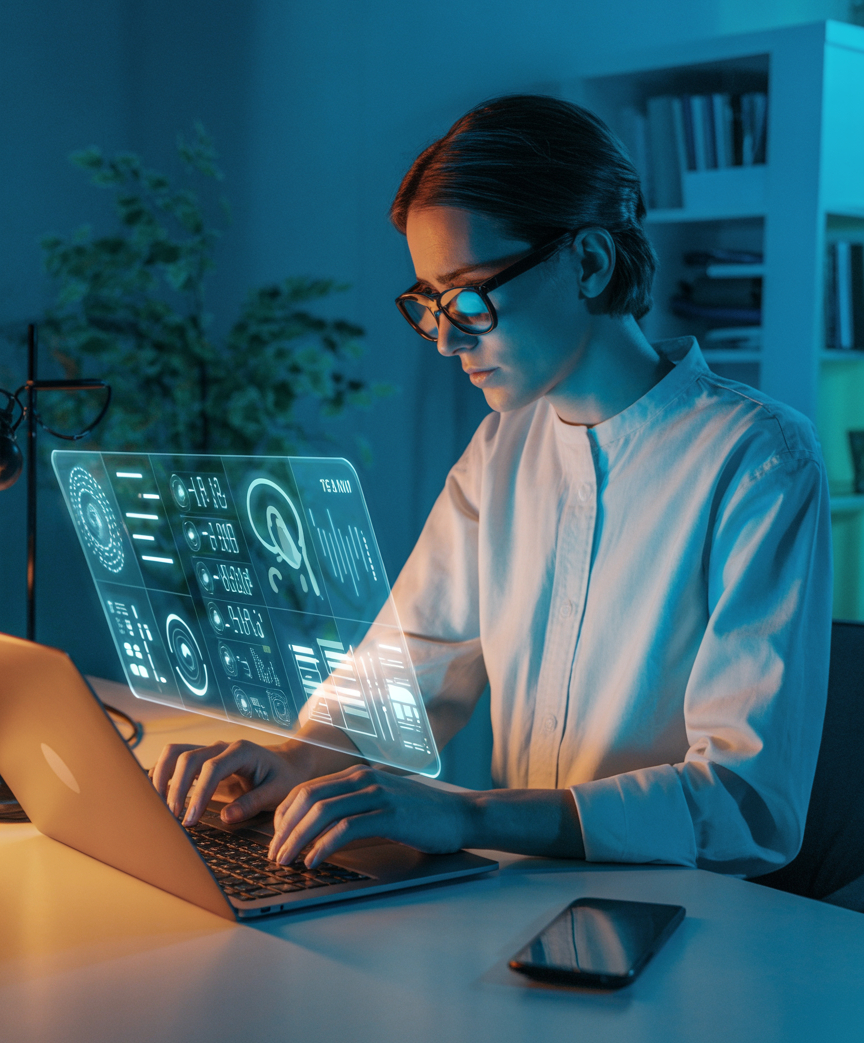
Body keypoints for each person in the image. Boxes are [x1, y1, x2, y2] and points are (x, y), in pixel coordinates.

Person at [153, 95, 832, 877]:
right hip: (524, 902)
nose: (444, 338)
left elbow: (743, 806)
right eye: (429, 303)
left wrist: (469, 814)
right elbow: (410, 669)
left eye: (471, 294)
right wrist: (298, 759)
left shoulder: (759, 458)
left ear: (588, 262)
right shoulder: (500, 450)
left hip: (694, 922)